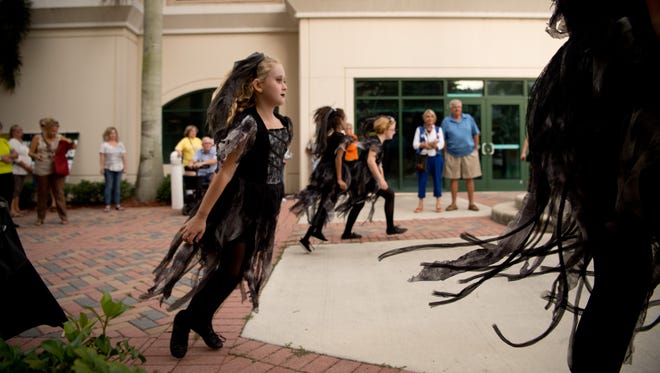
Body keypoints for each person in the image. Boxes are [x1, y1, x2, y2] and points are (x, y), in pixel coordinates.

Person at [380, 1, 660, 372]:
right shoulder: (614, 53)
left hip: (606, 127)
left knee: (622, 273)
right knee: (624, 270)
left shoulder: (604, 54)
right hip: (610, 134)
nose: (443, 114)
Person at [141, 52, 292, 359]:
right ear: (258, 85)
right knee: (230, 267)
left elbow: (276, 164)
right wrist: (201, 217)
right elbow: (225, 171)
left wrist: (277, 199)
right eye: (279, 79)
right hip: (238, 204)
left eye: (285, 80)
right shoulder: (248, 124)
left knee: (237, 271)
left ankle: (199, 318)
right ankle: (185, 320)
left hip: (266, 205)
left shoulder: (284, 123)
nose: (284, 85)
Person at [290, 106, 351, 252]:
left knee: (324, 203)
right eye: (345, 119)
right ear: (340, 121)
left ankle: (316, 231)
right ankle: (307, 237)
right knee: (324, 204)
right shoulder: (342, 138)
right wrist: (339, 179)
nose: (346, 122)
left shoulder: (329, 136)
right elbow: (338, 159)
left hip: (322, 171)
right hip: (331, 174)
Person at [337, 115, 407, 238]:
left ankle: (347, 233)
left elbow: (379, 163)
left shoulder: (377, 141)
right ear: (385, 129)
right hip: (364, 178)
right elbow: (370, 161)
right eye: (393, 129)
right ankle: (389, 228)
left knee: (359, 203)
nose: (394, 132)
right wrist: (380, 180)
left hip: (364, 178)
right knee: (388, 195)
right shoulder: (376, 142)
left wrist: (382, 179)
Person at [28, 118, 76, 225]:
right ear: (47, 129)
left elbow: (72, 146)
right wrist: (36, 155)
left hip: (56, 168)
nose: (54, 133)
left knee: (59, 192)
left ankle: (64, 217)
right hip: (42, 168)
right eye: (52, 131)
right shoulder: (38, 138)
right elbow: (30, 152)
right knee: (42, 193)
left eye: (56, 130)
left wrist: (70, 142)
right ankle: (40, 218)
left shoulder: (59, 137)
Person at [441, 99, 481, 211]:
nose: (457, 108)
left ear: (461, 108)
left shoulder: (468, 118)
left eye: (458, 107)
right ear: (451, 109)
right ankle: (453, 204)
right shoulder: (446, 121)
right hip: (452, 154)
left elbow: (476, 133)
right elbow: (442, 137)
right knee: (454, 179)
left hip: (469, 153)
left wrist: (476, 148)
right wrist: (445, 151)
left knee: (470, 179)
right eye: (454, 107)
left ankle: (471, 203)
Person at [412, 109, 445, 213]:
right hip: (423, 158)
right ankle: (420, 204)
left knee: (437, 180)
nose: (429, 118)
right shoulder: (419, 129)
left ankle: (438, 203)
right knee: (422, 180)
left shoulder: (439, 130)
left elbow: (441, 144)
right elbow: (415, 144)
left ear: (434, 118)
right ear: (424, 118)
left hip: (436, 158)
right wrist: (423, 145)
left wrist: (433, 145)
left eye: (431, 116)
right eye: (427, 116)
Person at [99, 126, 127, 212]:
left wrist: (125, 167)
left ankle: (118, 204)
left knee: (117, 186)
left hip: (119, 167)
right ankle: (107, 205)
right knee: (109, 186)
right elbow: (102, 156)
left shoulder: (120, 144)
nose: (113, 135)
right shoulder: (104, 145)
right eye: (111, 133)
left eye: (114, 133)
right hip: (108, 168)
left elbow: (124, 156)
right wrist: (102, 167)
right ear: (108, 134)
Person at [8, 124, 32, 217]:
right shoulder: (12, 141)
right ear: (13, 132)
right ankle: (12, 209)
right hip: (17, 169)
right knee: (15, 189)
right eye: (17, 131)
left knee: (19, 190)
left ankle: (17, 208)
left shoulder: (21, 142)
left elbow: (26, 153)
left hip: (23, 170)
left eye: (21, 131)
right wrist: (26, 166)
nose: (20, 133)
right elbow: (15, 156)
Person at [0, 121, 18, 204]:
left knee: (7, 197)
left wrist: (7, 156)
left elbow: (15, 154)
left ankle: (5, 216)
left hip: (8, 173)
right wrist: (1, 158)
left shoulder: (4, 141)